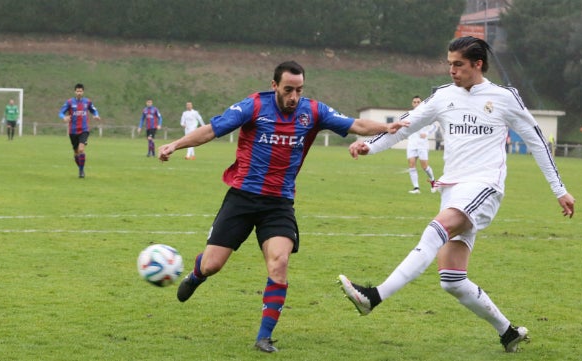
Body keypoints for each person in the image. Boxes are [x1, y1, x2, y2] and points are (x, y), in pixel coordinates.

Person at [338, 37, 575, 353]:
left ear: (478, 65)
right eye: (449, 63)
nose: (451, 70)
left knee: (436, 228)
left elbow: (536, 141)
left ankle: (374, 296)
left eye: (458, 64)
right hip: (453, 189)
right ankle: (508, 332)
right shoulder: (442, 96)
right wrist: (371, 145)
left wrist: (559, 189)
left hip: (484, 187)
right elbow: (406, 126)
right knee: (452, 278)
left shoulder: (504, 97)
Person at [158, 61, 408, 353]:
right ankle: (197, 274)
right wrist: (174, 145)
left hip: (279, 203)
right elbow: (212, 130)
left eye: (299, 90)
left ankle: (264, 336)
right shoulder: (253, 106)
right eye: (288, 89)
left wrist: (387, 126)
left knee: (279, 262)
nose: (294, 96)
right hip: (242, 198)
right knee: (213, 264)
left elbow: (357, 124)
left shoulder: (313, 111)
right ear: (274, 85)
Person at [58, 83, 101, 178]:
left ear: (83, 92)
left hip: (84, 130)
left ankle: (81, 172)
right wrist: (64, 117)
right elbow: (60, 112)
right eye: (77, 91)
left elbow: (94, 110)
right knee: (76, 153)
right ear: (75, 92)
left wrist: (96, 115)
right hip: (73, 131)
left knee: (81, 149)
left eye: (81, 91)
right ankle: (81, 168)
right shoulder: (69, 102)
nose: (79, 93)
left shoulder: (87, 102)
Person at [405, 95, 436, 194]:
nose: (416, 103)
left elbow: (435, 126)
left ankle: (433, 182)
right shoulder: (409, 115)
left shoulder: (426, 114)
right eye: (414, 102)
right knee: (411, 164)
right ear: (412, 104)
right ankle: (416, 188)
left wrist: (426, 133)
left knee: (424, 167)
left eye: (418, 102)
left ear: (421, 103)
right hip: (412, 144)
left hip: (422, 144)